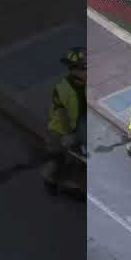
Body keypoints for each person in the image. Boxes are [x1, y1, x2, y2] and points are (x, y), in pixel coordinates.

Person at [42, 47, 87, 195]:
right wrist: (68, 134)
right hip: (59, 130)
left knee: (78, 160)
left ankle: (73, 186)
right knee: (56, 159)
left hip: (76, 129)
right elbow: (62, 114)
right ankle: (49, 180)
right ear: (74, 70)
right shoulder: (63, 88)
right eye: (84, 69)